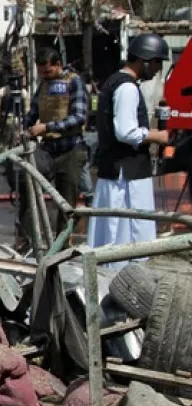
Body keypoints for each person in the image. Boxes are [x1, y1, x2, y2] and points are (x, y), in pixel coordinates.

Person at [87, 33, 171, 269]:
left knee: (113, 238)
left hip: (117, 171)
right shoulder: (127, 88)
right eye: (157, 63)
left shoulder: (115, 82)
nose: (157, 70)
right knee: (127, 239)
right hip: (126, 177)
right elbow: (125, 131)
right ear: (145, 60)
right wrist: (159, 136)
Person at [21, 48, 87, 238]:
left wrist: (47, 127)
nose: (45, 76)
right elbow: (33, 111)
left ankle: (62, 244)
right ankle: (27, 238)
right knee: (29, 187)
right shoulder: (43, 84)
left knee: (66, 202)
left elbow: (79, 117)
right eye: (41, 72)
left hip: (70, 148)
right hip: (48, 149)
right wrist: (25, 128)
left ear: (58, 65)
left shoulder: (74, 82)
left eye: (48, 72)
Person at [79, 78, 100, 204]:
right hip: (94, 133)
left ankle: (88, 193)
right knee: (86, 163)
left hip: (89, 133)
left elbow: (90, 113)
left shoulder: (92, 98)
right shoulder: (94, 96)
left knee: (84, 164)